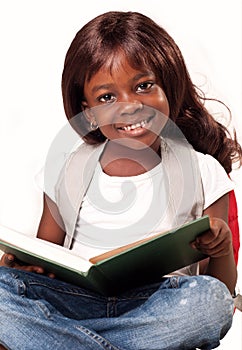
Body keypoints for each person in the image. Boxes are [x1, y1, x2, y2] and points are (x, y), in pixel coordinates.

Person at [0, 11, 241, 350]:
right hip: (76, 305)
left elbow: (222, 287)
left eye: (143, 86)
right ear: (89, 111)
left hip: (157, 307)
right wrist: (19, 267)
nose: (129, 106)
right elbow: (45, 262)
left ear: (168, 86)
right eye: (107, 98)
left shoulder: (202, 172)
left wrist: (222, 250)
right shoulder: (65, 170)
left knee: (211, 302)